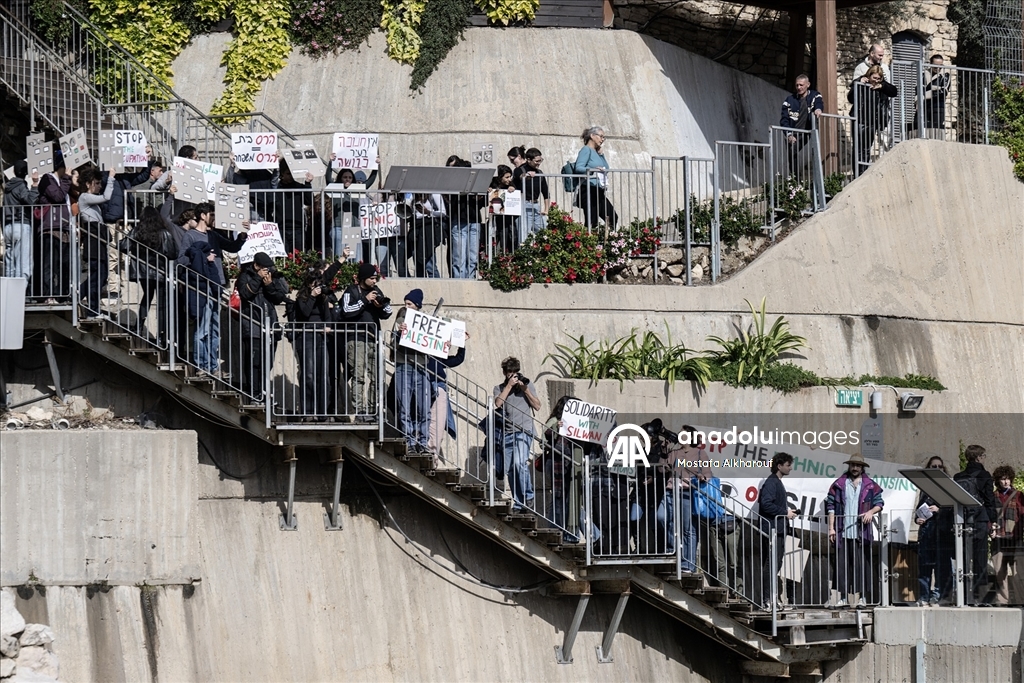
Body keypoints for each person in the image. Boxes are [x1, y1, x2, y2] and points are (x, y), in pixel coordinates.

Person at [177, 203, 247, 376]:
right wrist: (203, 257)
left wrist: (243, 235)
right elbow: (182, 260)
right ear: (203, 216)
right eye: (212, 215)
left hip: (216, 285)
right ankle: (202, 365)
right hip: (201, 286)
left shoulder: (213, 235)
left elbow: (232, 246)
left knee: (214, 327)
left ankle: (213, 366)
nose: (214, 218)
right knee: (203, 328)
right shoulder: (190, 236)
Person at [826, 453, 885, 608]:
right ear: (849, 466)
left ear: (862, 467)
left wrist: (871, 512)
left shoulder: (870, 485)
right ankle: (843, 598)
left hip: (861, 532)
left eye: (858, 465)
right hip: (842, 531)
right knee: (842, 565)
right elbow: (830, 506)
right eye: (853, 465)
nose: (855, 468)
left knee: (862, 565)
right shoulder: (839, 484)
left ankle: (862, 599)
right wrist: (831, 528)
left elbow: (880, 502)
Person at [340, 263, 393, 422]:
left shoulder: (377, 291)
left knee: (377, 377)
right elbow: (346, 311)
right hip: (357, 339)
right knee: (359, 376)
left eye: (376, 278)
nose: (374, 281)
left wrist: (380, 305)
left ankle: (372, 409)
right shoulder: (352, 291)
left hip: (373, 339)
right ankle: (360, 411)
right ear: (363, 278)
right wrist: (364, 300)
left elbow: (388, 312)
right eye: (371, 278)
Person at [292, 259, 343, 420]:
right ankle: (308, 411)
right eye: (314, 284)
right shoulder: (302, 297)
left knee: (323, 375)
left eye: (318, 285)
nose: (317, 288)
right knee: (309, 374)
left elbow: (327, 316)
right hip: (307, 336)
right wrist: (312, 297)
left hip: (321, 337)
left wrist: (327, 327)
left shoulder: (323, 298)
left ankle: (322, 413)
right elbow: (305, 313)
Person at [236, 252, 289, 399]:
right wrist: (258, 278)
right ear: (256, 266)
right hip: (253, 325)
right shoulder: (245, 276)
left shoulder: (271, 276)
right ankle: (255, 393)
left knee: (268, 362)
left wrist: (270, 285)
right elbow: (246, 294)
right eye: (264, 268)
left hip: (270, 324)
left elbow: (279, 298)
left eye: (269, 267)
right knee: (254, 362)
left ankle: (264, 392)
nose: (267, 270)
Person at [493, 356, 541, 511]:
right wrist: (509, 386)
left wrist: (525, 389)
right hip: (507, 432)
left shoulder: (527, 385)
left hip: (524, 431)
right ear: (504, 372)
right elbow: (498, 403)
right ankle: (519, 503)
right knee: (511, 470)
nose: (512, 374)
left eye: (515, 372)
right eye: (509, 372)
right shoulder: (500, 388)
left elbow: (537, 406)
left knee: (519, 463)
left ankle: (528, 496)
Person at [955, 445, 999, 605]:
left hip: (963, 521)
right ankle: (980, 598)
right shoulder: (985, 475)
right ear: (979, 457)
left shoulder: (958, 476)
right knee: (980, 560)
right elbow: (989, 501)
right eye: (984, 456)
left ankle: (964, 597)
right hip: (980, 521)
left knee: (964, 559)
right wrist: (993, 522)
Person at [126, 206, 177, 345]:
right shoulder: (164, 233)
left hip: (143, 272)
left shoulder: (138, 231)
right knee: (161, 304)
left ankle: (138, 327)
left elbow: (123, 246)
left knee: (147, 297)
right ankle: (161, 336)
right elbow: (173, 253)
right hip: (160, 272)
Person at [392, 289, 431, 453]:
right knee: (405, 408)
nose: (406, 306)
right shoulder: (400, 320)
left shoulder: (427, 322)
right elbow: (393, 346)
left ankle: (422, 443)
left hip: (421, 367)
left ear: (417, 306)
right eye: (405, 303)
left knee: (424, 409)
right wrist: (399, 333)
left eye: (409, 304)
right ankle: (408, 442)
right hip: (404, 365)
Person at [540, 396, 585, 538]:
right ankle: (557, 530)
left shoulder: (577, 423)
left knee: (569, 499)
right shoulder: (554, 421)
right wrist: (555, 428)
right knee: (559, 498)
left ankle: (564, 531)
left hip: (571, 465)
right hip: (556, 464)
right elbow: (543, 443)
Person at [692, 466, 741, 594]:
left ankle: (738, 591)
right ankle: (724, 591)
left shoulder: (722, 480)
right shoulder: (707, 480)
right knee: (720, 563)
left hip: (730, 523)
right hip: (714, 524)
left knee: (733, 562)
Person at [759, 452, 797, 610]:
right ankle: (767, 599)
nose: (790, 468)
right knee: (771, 565)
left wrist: (787, 512)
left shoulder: (777, 482)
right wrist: (785, 512)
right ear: (779, 466)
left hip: (779, 530)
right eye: (788, 465)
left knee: (776, 564)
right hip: (772, 531)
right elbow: (765, 504)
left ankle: (772, 598)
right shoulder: (772, 482)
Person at [76, 167, 116, 317]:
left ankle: (77, 297)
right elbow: (106, 196)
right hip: (93, 241)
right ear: (88, 184)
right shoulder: (84, 197)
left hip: (99, 240)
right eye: (97, 183)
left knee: (101, 275)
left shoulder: (94, 204)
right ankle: (92, 310)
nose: (100, 186)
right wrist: (111, 177)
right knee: (96, 276)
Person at [915, 455, 954, 606]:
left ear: (943, 469)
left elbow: (954, 508)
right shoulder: (925, 488)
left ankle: (939, 596)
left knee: (941, 566)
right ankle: (924, 596)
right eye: (933, 467)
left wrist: (940, 509)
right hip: (926, 532)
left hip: (942, 532)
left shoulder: (948, 485)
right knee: (924, 566)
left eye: (939, 466)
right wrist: (917, 519)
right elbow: (918, 510)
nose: (936, 469)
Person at [35, 152, 73, 304]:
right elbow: (57, 196)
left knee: (63, 265)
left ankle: (62, 295)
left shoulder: (64, 182)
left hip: (63, 229)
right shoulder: (47, 179)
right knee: (49, 263)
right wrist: (67, 178)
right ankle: (48, 295)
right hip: (49, 228)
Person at [848, 65, 898, 176]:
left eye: (878, 79)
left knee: (866, 148)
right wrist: (858, 82)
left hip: (873, 121)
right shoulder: (861, 83)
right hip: (860, 119)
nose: (876, 81)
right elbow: (850, 98)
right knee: (858, 147)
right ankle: (857, 173)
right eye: (874, 78)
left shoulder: (881, 86)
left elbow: (894, 91)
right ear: (869, 75)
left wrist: (882, 86)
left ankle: (863, 172)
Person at [573, 126, 617, 232]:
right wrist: (592, 170)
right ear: (592, 136)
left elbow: (606, 168)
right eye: (601, 136)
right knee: (592, 221)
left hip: (598, 190)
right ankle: (587, 245)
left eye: (603, 137)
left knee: (612, 217)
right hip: (588, 190)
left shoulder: (595, 152)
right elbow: (578, 168)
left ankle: (607, 241)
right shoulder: (586, 150)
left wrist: (601, 155)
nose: (602, 139)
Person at [991, 465, 1024, 605]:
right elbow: (989, 516)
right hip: (998, 538)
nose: (1005, 482)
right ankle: (1002, 601)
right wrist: (990, 528)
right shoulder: (993, 496)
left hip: (1015, 538)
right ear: (998, 480)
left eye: (1008, 479)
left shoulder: (1018, 495)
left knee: (1018, 573)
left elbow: (1022, 516)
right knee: (999, 572)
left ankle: (1020, 600)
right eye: (1003, 479)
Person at [448, 157, 484, 280]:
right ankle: (460, 281)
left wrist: (478, 197)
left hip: (474, 220)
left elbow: (483, 202)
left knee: (473, 256)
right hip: (459, 220)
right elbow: (451, 201)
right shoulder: (453, 184)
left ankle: (470, 279)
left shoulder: (475, 183)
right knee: (459, 257)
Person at [3, 160, 39, 281]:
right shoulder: (21, 185)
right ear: (26, 173)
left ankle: (9, 294)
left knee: (9, 264)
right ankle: (20, 294)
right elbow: (30, 201)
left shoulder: (7, 188)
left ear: (13, 171)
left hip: (8, 226)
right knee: (23, 263)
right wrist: (34, 184)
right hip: (21, 225)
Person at [780, 74, 824, 172]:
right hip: (793, 132)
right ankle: (795, 181)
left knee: (813, 151)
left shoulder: (814, 95)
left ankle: (808, 180)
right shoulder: (789, 100)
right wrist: (789, 134)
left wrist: (818, 109)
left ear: (808, 84)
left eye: (801, 85)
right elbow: (784, 119)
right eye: (797, 85)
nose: (799, 88)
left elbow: (818, 102)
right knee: (792, 154)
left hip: (807, 131)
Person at [514, 148, 549, 240]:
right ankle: (524, 252)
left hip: (536, 205)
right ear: (528, 160)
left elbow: (545, 192)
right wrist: (527, 176)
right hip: (524, 205)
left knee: (543, 231)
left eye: (540, 160)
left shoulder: (540, 173)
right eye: (536, 161)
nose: (539, 163)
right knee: (524, 233)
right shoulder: (519, 170)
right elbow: (520, 176)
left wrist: (546, 209)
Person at [489, 165, 518, 255]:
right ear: (500, 177)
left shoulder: (510, 184)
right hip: (495, 218)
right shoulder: (492, 183)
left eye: (510, 177)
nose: (509, 179)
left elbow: (515, 193)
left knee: (511, 237)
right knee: (495, 238)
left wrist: (512, 189)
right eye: (506, 177)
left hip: (508, 218)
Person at [921, 54, 950, 139]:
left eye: (940, 66)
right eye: (935, 66)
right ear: (930, 64)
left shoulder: (945, 75)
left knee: (937, 130)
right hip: (924, 106)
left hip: (938, 107)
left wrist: (926, 93)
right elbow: (918, 90)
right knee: (921, 128)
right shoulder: (924, 74)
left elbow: (943, 92)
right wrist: (934, 89)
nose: (938, 68)